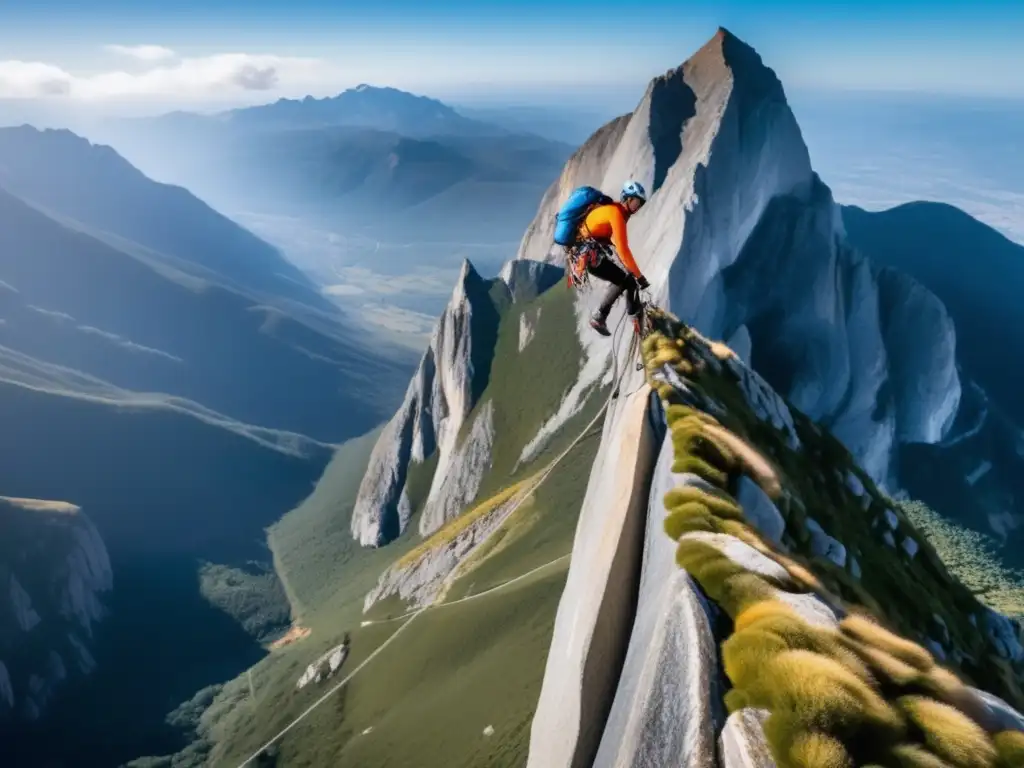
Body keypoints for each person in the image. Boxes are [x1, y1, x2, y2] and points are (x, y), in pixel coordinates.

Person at [576, 180, 650, 336]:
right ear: (627, 199)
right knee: (627, 280)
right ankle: (606, 316)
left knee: (626, 280)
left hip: (590, 254)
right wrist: (640, 276)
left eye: (640, 204)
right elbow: (623, 249)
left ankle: (630, 315)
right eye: (636, 202)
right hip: (591, 256)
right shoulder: (616, 214)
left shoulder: (615, 211)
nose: (637, 207)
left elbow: (613, 242)